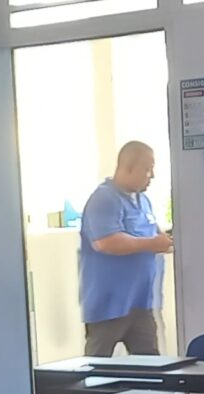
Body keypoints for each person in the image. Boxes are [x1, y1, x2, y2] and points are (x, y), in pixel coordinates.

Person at [78, 141, 172, 357]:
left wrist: (167, 241)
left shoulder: (143, 201)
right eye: (147, 169)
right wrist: (152, 244)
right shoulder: (104, 199)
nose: (152, 175)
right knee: (97, 366)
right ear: (128, 167)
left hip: (140, 303)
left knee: (150, 365)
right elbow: (106, 241)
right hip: (108, 306)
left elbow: (155, 236)